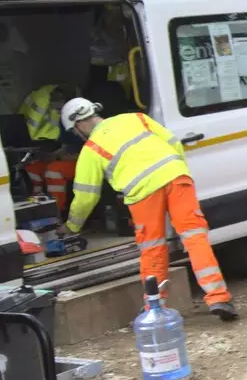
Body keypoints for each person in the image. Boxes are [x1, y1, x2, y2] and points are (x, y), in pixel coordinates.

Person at [58, 98, 237, 321]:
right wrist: (178, 172)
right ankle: (219, 297)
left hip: (142, 193)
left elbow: (86, 197)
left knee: (152, 247)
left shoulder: (91, 149)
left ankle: (155, 307)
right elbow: (175, 143)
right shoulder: (136, 118)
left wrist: (71, 226)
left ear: (78, 125)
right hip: (176, 177)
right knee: (194, 237)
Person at [16, 83, 80, 216]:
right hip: (68, 157)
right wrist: (52, 155)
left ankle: (56, 213)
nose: (55, 105)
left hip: (85, 161)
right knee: (32, 168)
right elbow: (67, 146)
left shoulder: (82, 121)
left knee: (54, 170)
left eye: (59, 101)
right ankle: (37, 208)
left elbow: (92, 152)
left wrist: (62, 158)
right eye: (53, 102)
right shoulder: (64, 121)